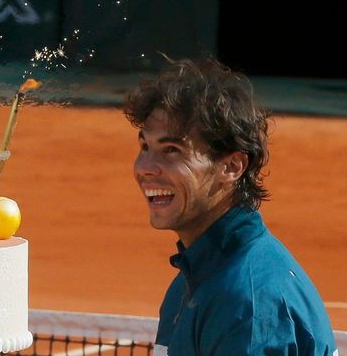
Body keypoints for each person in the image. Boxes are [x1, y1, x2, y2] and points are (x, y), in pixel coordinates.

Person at [124, 58, 338, 355]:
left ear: (232, 166)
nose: (146, 167)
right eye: (145, 147)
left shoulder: (248, 302)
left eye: (172, 150)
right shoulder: (196, 278)